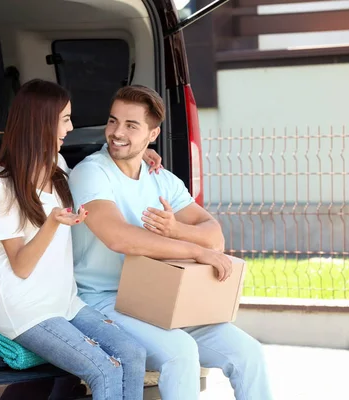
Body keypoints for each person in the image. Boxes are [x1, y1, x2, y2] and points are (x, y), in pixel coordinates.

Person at [68, 85, 274, 400]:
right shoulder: (91, 173)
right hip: (103, 301)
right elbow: (118, 237)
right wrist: (196, 251)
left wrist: (177, 229)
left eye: (131, 125)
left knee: (248, 353)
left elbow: (213, 234)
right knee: (180, 352)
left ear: (153, 134)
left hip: (158, 299)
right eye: (113, 121)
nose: (117, 132)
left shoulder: (161, 179)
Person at [0, 79, 163, 400]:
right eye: (65, 119)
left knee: (132, 354)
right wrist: (51, 223)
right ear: (42, 122)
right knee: (104, 368)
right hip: (24, 308)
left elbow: (100, 165)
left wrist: (141, 150)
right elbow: (21, 266)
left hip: (63, 300)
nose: (70, 126)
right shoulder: (0, 183)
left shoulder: (57, 166)